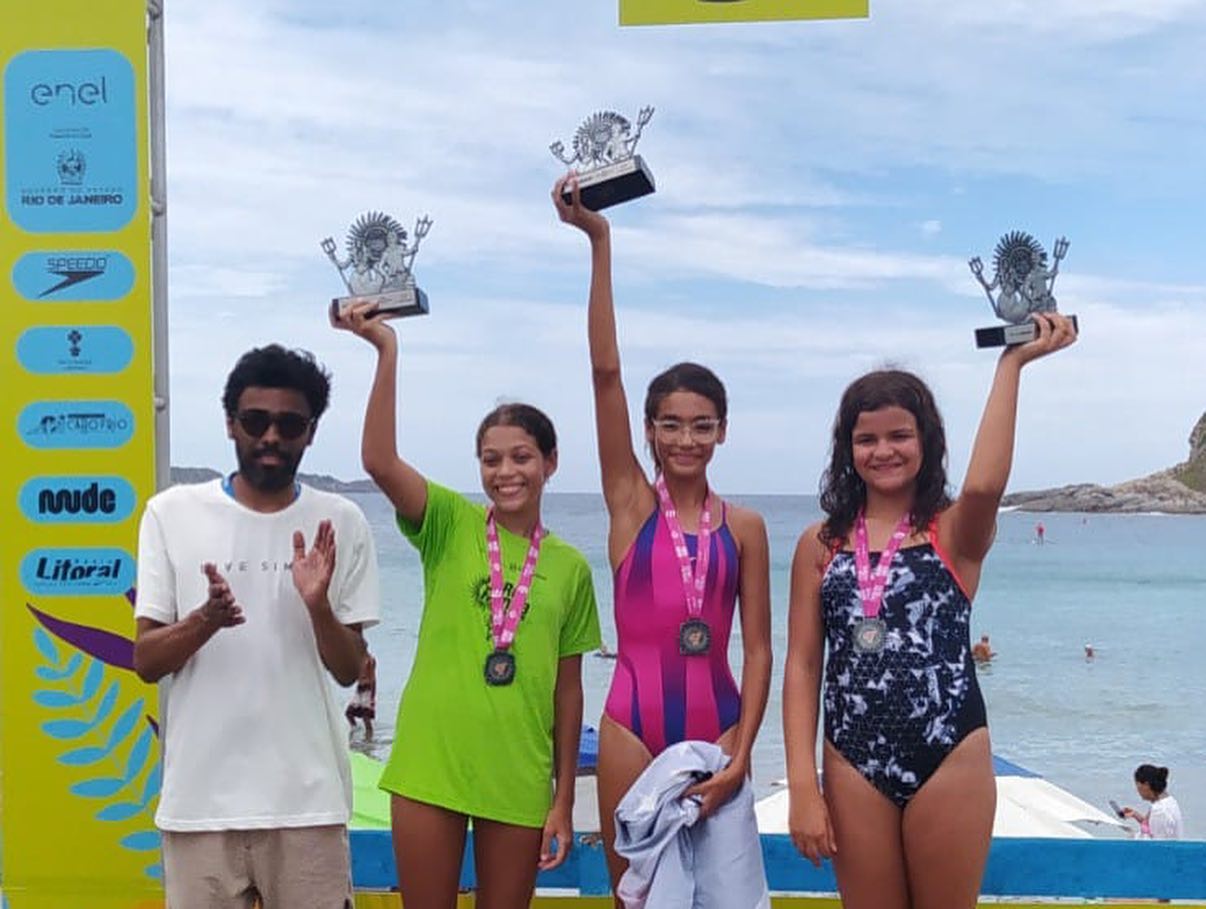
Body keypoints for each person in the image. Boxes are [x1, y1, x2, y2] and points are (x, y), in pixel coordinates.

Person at [783, 314, 1077, 909]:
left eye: (900, 436)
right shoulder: (821, 544)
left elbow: (985, 486)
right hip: (852, 760)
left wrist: (1011, 365)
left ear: (927, 441)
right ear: (847, 450)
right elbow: (803, 666)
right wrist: (801, 789)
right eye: (866, 439)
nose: (883, 451)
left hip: (950, 753)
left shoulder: (953, 532)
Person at [333, 304, 601, 907]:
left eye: (522, 457)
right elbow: (379, 461)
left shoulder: (571, 568)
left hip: (518, 774)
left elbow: (568, 692)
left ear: (550, 462)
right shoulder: (449, 524)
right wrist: (387, 351)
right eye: (491, 459)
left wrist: (562, 799)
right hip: (432, 764)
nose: (506, 472)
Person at [553, 174, 773, 904]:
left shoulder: (745, 528)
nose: (686, 438)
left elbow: (761, 648)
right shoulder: (629, 505)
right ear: (649, 430)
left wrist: (743, 749)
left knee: (718, 898)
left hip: (720, 729)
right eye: (671, 424)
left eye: (702, 425)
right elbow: (605, 374)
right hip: (631, 727)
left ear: (723, 431)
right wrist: (600, 242)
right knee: (637, 898)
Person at [132, 344, 380, 909]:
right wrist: (207, 619)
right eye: (255, 420)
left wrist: (317, 605)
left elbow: (349, 670)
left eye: (289, 424)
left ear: (311, 432)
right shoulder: (170, 513)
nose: (271, 436)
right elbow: (146, 661)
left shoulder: (342, 521)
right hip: (199, 809)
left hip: (309, 808)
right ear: (230, 423)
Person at [1122, 764, 1183, 839]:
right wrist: (1135, 815)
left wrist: (1132, 834)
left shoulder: (1160, 810)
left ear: (1146, 785)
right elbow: (1154, 826)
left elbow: (1156, 842)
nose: (1137, 791)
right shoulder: (1169, 801)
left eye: (1138, 786)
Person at [346, 651, 378, 738]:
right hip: (359, 688)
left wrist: (372, 695)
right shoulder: (358, 660)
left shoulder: (369, 660)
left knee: (366, 716)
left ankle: (369, 735)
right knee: (349, 713)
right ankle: (355, 729)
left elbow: (373, 678)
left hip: (368, 688)